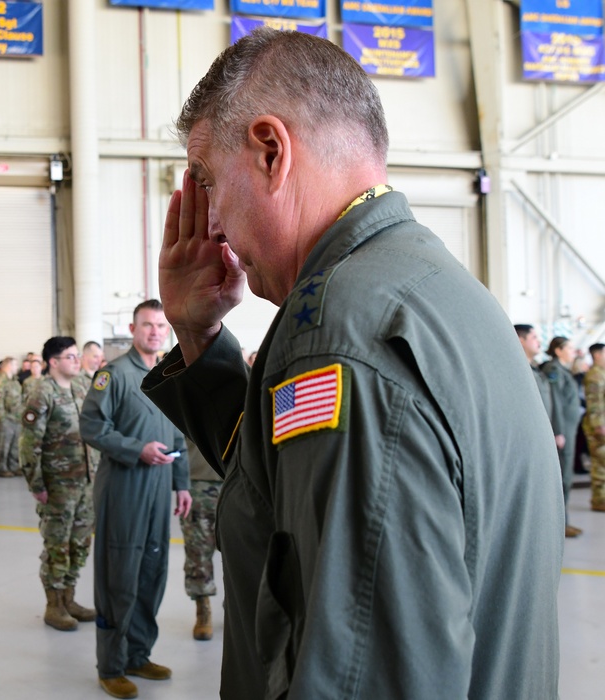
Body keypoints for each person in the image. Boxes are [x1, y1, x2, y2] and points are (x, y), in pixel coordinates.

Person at [140, 29, 562, 699]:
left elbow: (368, 667)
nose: (211, 223)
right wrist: (197, 334)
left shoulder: (340, 334)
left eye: (209, 183)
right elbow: (288, 500)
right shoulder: (428, 286)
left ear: (271, 151)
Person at [79, 299, 191, 700]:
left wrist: (182, 484)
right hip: (124, 487)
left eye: (162, 325)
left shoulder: (168, 377)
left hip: (160, 488)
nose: (155, 331)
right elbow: (92, 426)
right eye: (148, 325)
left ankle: (138, 654)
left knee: (151, 572)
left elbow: (179, 432)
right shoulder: (114, 375)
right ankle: (111, 666)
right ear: (133, 328)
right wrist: (136, 448)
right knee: (119, 576)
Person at [20, 337, 96, 631]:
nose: (77, 360)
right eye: (70, 356)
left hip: (85, 483)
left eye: (77, 356)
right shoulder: (42, 394)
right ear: (53, 362)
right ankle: (54, 604)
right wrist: (36, 484)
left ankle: (69, 597)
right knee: (57, 545)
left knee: (79, 543)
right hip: (57, 486)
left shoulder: (80, 387)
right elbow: (28, 444)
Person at [178, 440, 222, 641]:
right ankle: (202, 609)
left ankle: (235, 608)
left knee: (240, 552)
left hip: (238, 478)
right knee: (198, 551)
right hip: (198, 480)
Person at [543, 336, 584, 538]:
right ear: (558, 350)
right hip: (563, 432)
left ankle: (565, 522)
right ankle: (559, 523)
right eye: (569, 347)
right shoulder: (553, 371)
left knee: (566, 477)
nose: (573, 351)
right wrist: (558, 430)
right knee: (563, 477)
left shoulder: (563, 371)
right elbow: (555, 403)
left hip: (569, 430)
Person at [583, 343, 605, 512]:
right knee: (599, 464)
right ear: (597, 355)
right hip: (597, 426)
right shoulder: (595, 376)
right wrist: (599, 426)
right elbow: (594, 402)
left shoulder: (601, 374)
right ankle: (599, 500)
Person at [0, 356, 23, 477]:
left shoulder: (15, 381)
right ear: (9, 366)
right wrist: (2, 419)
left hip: (17, 418)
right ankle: (2, 467)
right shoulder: (0, 382)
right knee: (4, 444)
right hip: (7, 419)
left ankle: (13, 465)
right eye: (15, 365)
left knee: (15, 445)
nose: (17, 367)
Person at [515, 324, 553, 414]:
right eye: (534, 337)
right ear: (521, 341)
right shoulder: (517, 371)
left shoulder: (534, 368)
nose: (539, 341)